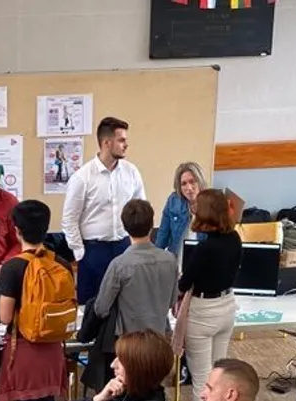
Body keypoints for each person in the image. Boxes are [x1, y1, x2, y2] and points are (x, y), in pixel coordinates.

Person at [0, 200, 71, 401]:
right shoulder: (61, 264)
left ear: (17, 231)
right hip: (54, 349)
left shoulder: (14, 267)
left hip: (23, 350)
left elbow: (4, 316)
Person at [175, 189, 243, 401]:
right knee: (219, 373)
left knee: (202, 379)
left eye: (196, 206)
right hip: (227, 306)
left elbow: (184, 284)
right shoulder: (235, 238)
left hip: (203, 312)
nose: (192, 209)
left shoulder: (204, 249)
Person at [61, 116, 146, 305]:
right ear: (107, 143)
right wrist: (80, 253)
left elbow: (142, 210)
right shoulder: (82, 177)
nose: (126, 145)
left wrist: (137, 245)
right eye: (121, 140)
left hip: (125, 246)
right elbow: (69, 220)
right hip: (93, 250)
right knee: (93, 307)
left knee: (126, 304)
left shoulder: (131, 172)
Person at [94, 199, 179, 337]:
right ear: (152, 225)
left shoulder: (119, 264)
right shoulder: (170, 260)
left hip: (130, 341)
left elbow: (101, 308)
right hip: (160, 337)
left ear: (125, 227)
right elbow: (172, 301)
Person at [154, 161, 210, 262]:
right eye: (184, 184)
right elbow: (162, 235)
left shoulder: (212, 203)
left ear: (200, 181)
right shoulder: (173, 201)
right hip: (177, 263)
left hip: (203, 264)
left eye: (192, 181)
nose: (189, 188)